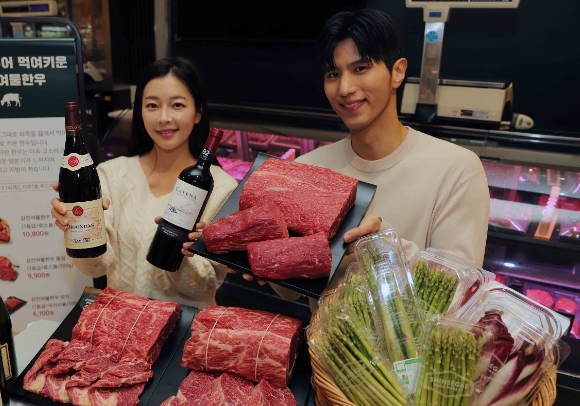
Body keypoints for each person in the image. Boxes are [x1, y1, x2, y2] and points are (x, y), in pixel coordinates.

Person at [236, 9, 490, 302]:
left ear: (397, 72)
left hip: (414, 348)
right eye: (334, 74)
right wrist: (255, 258)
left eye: (360, 68)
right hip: (321, 346)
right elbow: (292, 291)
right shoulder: (306, 171)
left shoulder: (455, 168)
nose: (345, 88)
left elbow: (459, 293)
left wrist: (384, 245)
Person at [51, 57, 238, 308]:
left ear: (197, 113)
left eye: (177, 105)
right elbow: (95, 266)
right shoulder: (111, 174)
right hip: (123, 330)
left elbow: (205, 285)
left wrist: (181, 253)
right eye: (152, 105)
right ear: (140, 112)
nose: (163, 118)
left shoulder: (224, 189)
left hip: (187, 336)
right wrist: (78, 229)